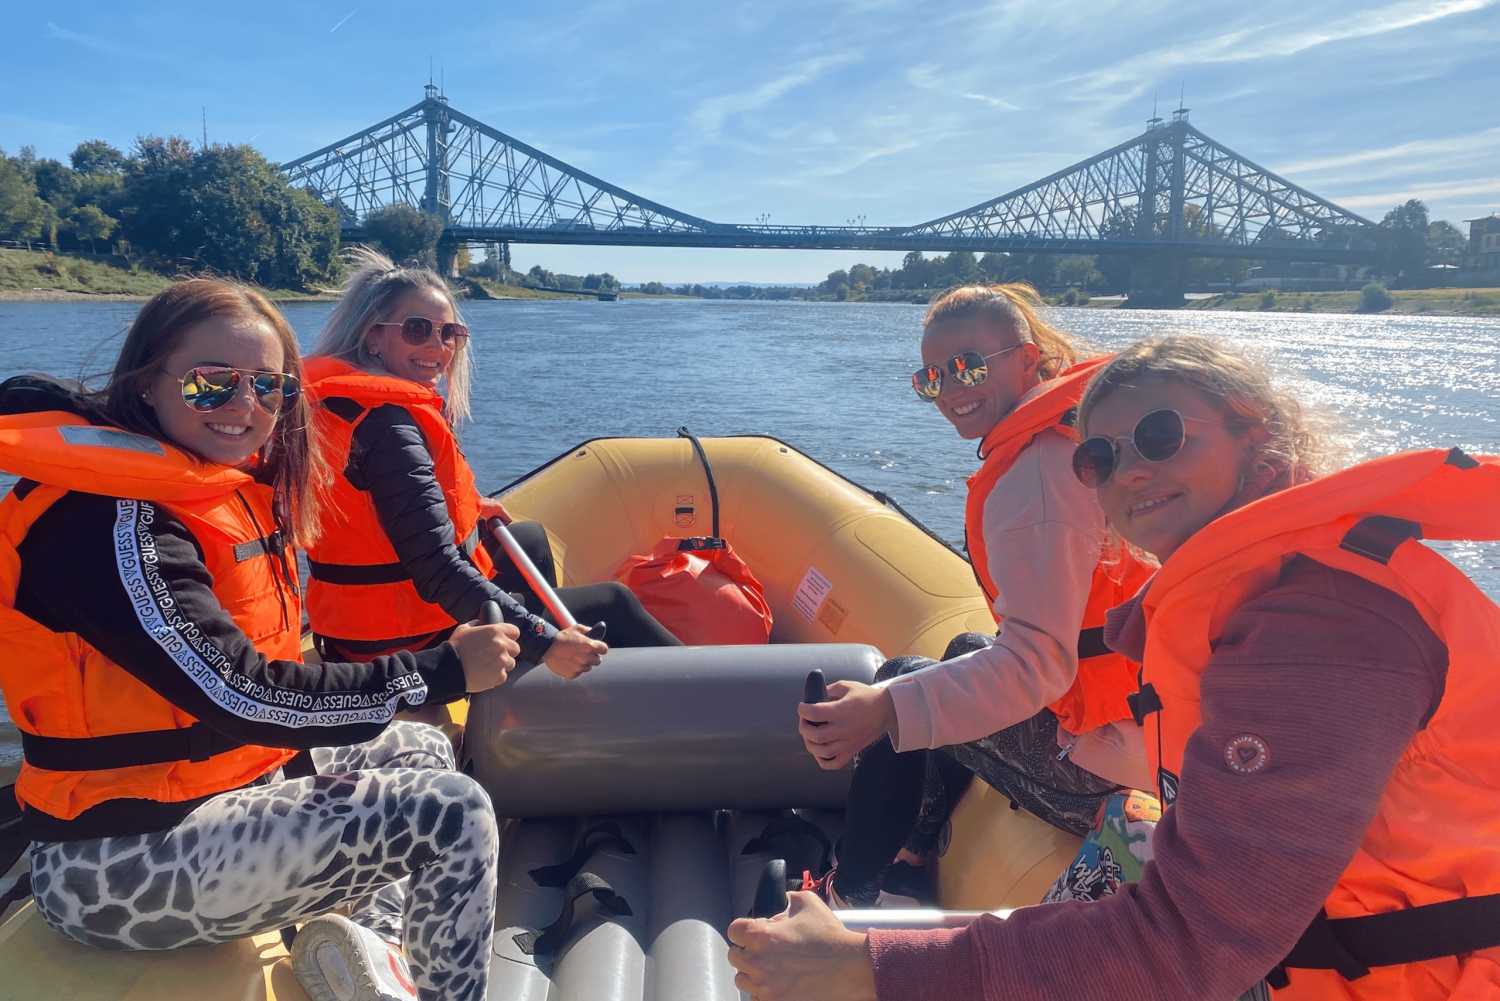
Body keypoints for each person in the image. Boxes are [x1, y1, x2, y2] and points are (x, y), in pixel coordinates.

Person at [729, 335, 1500, 1001]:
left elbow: (1192, 941)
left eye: (1161, 436)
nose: (1127, 470)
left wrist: (870, 966)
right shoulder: (1268, 586)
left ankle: (863, 891)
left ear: (1254, 433)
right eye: (1098, 455)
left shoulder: (1320, 626)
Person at [0, 280, 519, 1001]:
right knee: (453, 810)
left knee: (423, 748)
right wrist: (435, 672)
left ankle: (368, 951)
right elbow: (238, 691)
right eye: (212, 383)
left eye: (270, 387)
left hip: (212, 792)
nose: (246, 406)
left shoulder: (207, 485)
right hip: (115, 862)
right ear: (149, 382)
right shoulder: (106, 523)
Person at [796, 284, 1152, 907]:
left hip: (1124, 770)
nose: (951, 390)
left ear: (1026, 357)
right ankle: (908, 855)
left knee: (903, 679)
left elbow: (1037, 664)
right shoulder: (1077, 432)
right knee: (965, 647)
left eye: (966, 365)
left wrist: (884, 708)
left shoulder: (1038, 476)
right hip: (1150, 720)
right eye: (931, 378)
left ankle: (849, 896)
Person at [301, 250, 678, 683]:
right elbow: (437, 570)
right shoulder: (385, 426)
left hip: (359, 625)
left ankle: (544, 690)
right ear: (372, 337)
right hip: (405, 640)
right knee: (615, 603)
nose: (436, 346)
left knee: (529, 537)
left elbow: (381, 507)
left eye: (450, 333)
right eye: (417, 329)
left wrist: (470, 507)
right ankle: (719, 698)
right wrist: (547, 641)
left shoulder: (343, 405)